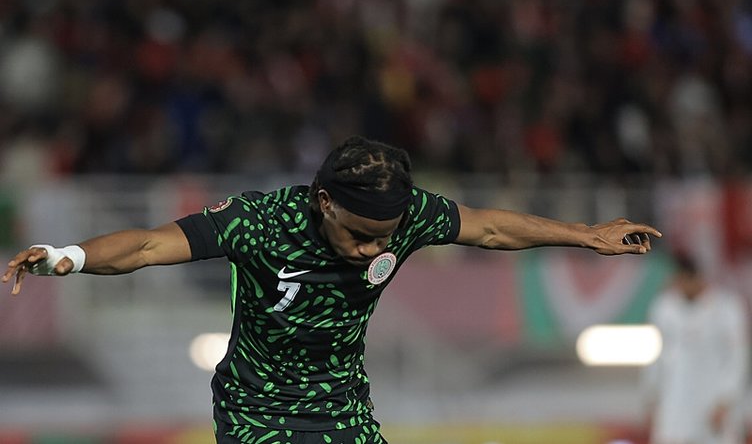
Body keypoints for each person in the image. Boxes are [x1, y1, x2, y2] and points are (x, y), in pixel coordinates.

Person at [3, 136, 661, 444]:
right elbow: (148, 246)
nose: (375, 251)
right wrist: (69, 256)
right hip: (255, 412)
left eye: (386, 239)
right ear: (324, 203)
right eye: (362, 237)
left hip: (344, 409)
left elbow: (488, 228)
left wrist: (586, 235)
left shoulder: (406, 215)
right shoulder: (260, 223)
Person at [642, 254, 749, 444]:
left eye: (684, 281)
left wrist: (726, 399)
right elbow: (657, 356)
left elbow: (737, 358)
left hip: (713, 402)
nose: (680, 286)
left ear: (697, 277)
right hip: (674, 402)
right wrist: (651, 394)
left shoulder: (727, 308)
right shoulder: (664, 307)